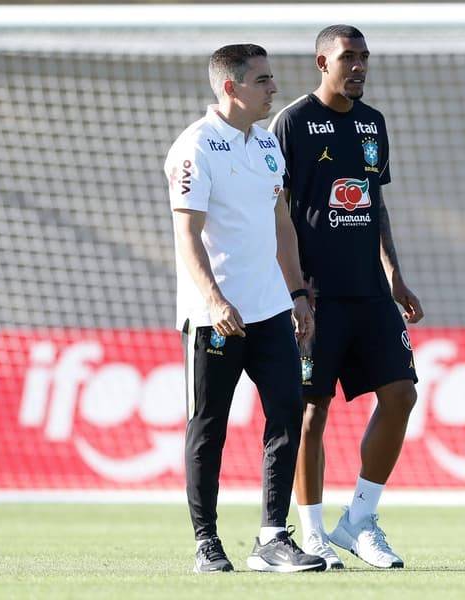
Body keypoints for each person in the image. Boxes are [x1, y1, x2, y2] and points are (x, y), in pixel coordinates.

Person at [164, 43, 325, 574]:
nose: (273, 88)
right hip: (216, 317)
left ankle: (272, 538)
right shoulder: (196, 147)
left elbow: (282, 223)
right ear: (231, 88)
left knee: (287, 413)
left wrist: (296, 293)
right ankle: (206, 543)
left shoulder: (267, 143)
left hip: (271, 310)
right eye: (263, 80)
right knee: (209, 426)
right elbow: (186, 235)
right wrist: (214, 300)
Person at [270, 25, 424, 570]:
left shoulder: (372, 122)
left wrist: (395, 275)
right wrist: (294, 288)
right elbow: (277, 210)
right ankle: (311, 533)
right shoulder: (292, 122)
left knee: (401, 395)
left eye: (364, 57)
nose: (358, 67)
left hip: (370, 291)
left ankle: (358, 519)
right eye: (347, 57)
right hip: (317, 295)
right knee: (312, 411)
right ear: (322, 62)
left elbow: (374, 203)